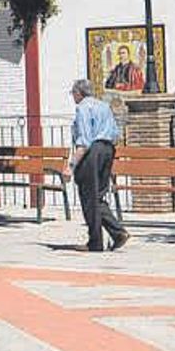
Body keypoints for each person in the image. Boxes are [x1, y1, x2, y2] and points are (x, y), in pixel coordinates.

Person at [66, 79, 129, 251]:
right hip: (108, 149)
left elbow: (84, 140)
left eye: (73, 93)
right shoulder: (103, 106)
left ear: (79, 93)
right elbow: (116, 133)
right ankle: (117, 233)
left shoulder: (83, 108)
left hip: (92, 152)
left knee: (89, 196)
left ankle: (95, 242)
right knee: (98, 196)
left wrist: (70, 166)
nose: (73, 97)